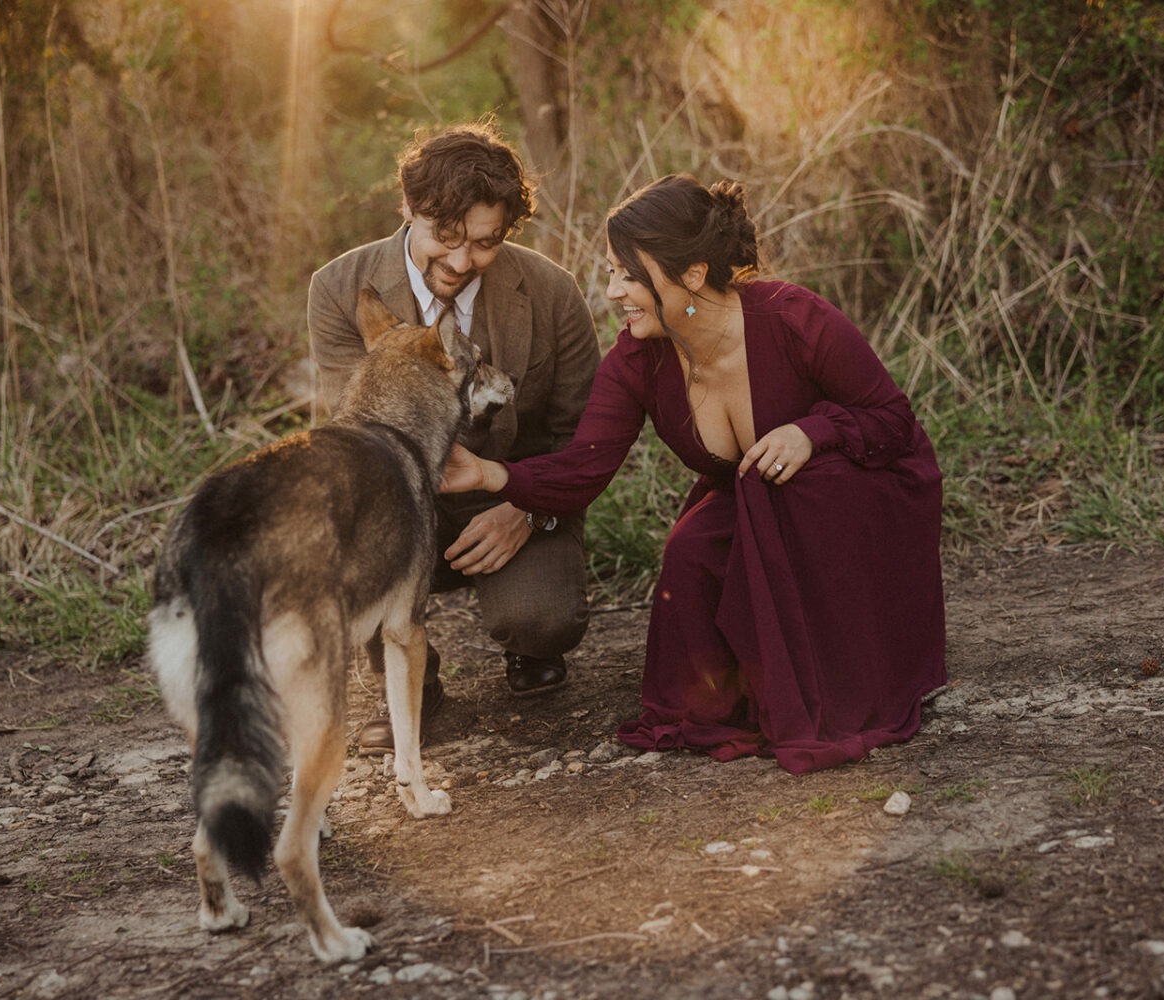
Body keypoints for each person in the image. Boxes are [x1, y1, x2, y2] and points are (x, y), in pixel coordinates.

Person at [441, 173, 947, 774]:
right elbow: (584, 469)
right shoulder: (637, 358)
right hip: (759, 504)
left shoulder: (795, 319)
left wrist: (812, 431)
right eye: (611, 272)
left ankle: (849, 668)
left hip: (857, 494)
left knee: (801, 483)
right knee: (692, 547)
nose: (610, 292)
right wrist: (486, 475)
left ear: (692, 277)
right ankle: (753, 679)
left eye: (628, 275)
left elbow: (892, 419)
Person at [307, 120, 601, 753]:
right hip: (396, 496)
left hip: (514, 495)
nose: (462, 262)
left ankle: (528, 646)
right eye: (446, 236)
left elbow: (583, 437)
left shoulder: (553, 292)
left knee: (540, 617)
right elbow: (353, 428)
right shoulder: (336, 288)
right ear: (407, 206)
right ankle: (415, 688)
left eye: (486, 243)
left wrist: (525, 506)